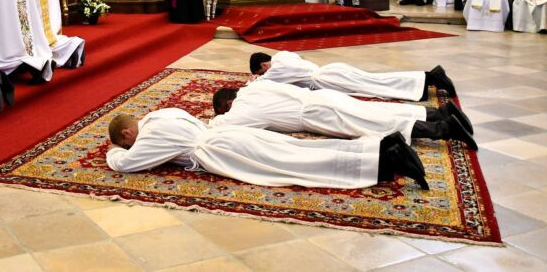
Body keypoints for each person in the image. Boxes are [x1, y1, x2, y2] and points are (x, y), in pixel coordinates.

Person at [107, 108, 429, 190]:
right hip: (230, 136)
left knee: (298, 164)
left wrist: (114, 152)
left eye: (126, 142)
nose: (130, 146)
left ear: (127, 133)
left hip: (223, 149)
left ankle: (386, 162)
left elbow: (126, 164)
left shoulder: (149, 136)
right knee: (299, 150)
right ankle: (381, 146)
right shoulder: (161, 114)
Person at [211, 80, 475, 149]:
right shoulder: (255, 86)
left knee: (376, 126)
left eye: (224, 109)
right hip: (323, 98)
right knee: (375, 112)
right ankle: (438, 113)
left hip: (317, 113)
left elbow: (220, 125)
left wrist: (219, 116)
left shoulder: (244, 107)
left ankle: (444, 129)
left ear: (228, 104)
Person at [249, 51, 456, 101]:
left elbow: (261, 84)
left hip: (328, 79)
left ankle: (428, 78)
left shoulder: (275, 68)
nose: (264, 74)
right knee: (375, 81)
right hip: (331, 70)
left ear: (264, 65)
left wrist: (253, 81)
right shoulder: (282, 54)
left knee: (374, 85)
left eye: (261, 71)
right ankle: (427, 78)